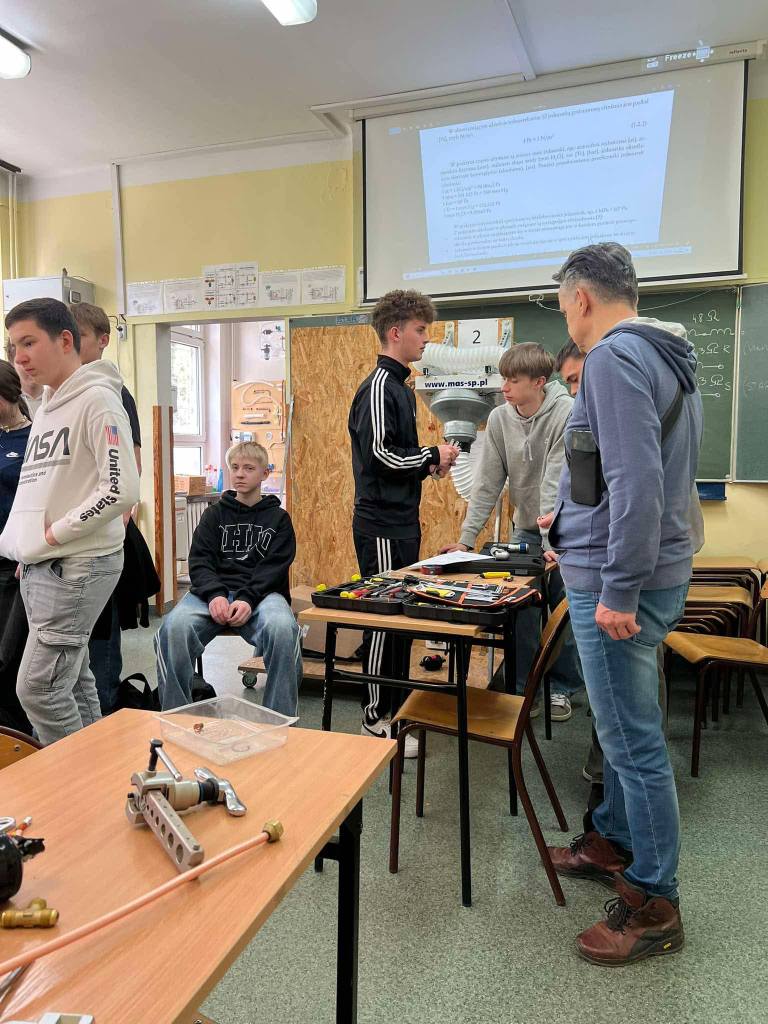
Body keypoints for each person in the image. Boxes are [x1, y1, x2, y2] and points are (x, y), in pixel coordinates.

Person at [546, 243, 702, 966]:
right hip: (644, 565)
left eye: (563, 306)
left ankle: (654, 902)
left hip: (620, 581)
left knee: (633, 742)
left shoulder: (611, 358)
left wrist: (617, 587)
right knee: (618, 734)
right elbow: (624, 479)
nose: (566, 318)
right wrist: (568, 523)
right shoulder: (665, 353)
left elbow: (638, 482)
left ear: (581, 298)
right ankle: (611, 839)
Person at [0, 298, 140, 745]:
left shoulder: (99, 400)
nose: (19, 357)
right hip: (44, 563)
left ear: (64, 340)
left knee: (38, 689)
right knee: (74, 681)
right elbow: (41, 485)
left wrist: (50, 536)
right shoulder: (46, 407)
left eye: (29, 343)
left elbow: (121, 490)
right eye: (13, 346)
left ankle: (71, 780)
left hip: (77, 563)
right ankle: (97, 771)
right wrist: (26, 543)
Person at [441, 342, 583, 720]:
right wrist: (466, 540)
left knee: (564, 610)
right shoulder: (500, 418)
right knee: (521, 609)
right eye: (503, 378)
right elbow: (487, 483)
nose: (504, 387)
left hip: (564, 531)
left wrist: (552, 543)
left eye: (513, 380)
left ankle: (562, 688)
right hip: (525, 530)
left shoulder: (567, 412)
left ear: (539, 382)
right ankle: (523, 688)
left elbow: (555, 482)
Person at [349, 289, 458, 748]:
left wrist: (428, 464)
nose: (425, 338)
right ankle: (375, 718)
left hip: (402, 523)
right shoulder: (378, 386)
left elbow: (398, 457)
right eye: (419, 330)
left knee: (397, 618)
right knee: (382, 618)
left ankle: (393, 711)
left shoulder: (400, 388)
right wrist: (430, 454)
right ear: (395, 333)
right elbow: (379, 455)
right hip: (380, 525)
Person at [155, 441, 301, 717]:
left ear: (265, 473)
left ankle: (279, 721)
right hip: (212, 594)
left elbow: (274, 568)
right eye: (234, 467)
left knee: (284, 629)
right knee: (172, 628)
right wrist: (215, 594)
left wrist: (247, 598)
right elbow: (200, 561)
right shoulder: (213, 515)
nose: (240, 474)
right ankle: (177, 718)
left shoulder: (279, 519)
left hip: (262, 594)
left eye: (248, 468)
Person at [70, 301, 142, 713]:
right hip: (68, 544)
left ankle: (107, 713)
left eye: (79, 338)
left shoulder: (114, 395)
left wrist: (112, 530)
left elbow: (128, 471)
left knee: (100, 642)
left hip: (101, 540)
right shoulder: (63, 395)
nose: (71, 347)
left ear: (101, 340)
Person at [0, 361, 33, 733]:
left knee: (8, 658)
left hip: (16, 562)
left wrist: (29, 551)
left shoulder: (33, 438)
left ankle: (18, 739)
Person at [6, 343, 44, 420]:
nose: (31, 366)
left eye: (36, 359)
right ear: (12, 365)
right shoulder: (9, 404)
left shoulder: (57, 397)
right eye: (23, 362)